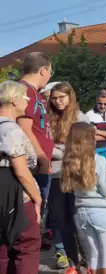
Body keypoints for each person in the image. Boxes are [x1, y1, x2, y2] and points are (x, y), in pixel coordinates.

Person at [61, 122, 106, 274]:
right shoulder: (99, 160)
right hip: (101, 210)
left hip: (82, 211)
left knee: (93, 255)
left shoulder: (69, 161)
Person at [48, 82, 91, 272]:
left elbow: (82, 147)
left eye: (61, 97)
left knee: (78, 221)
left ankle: (89, 261)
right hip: (55, 176)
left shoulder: (80, 117)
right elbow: (44, 146)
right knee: (62, 221)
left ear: (70, 97)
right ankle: (73, 263)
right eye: (54, 98)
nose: (57, 101)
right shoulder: (49, 118)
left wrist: (56, 151)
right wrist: (58, 150)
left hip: (75, 175)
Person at [0, 81, 42, 274]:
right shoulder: (11, 131)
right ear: (14, 100)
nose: (28, 102)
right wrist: (37, 197)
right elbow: (21, 172)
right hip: (16, 196)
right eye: (25, 98)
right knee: (27, 246)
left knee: (2, 249)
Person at [17, 52, 55, 218]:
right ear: (43, 70)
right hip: (34, 165)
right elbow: (24, 128)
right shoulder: (25, 91)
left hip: (39, 164)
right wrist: (42, 157)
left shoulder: (34, 92)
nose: (49, 76)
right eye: (50, 73)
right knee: (34, 214)